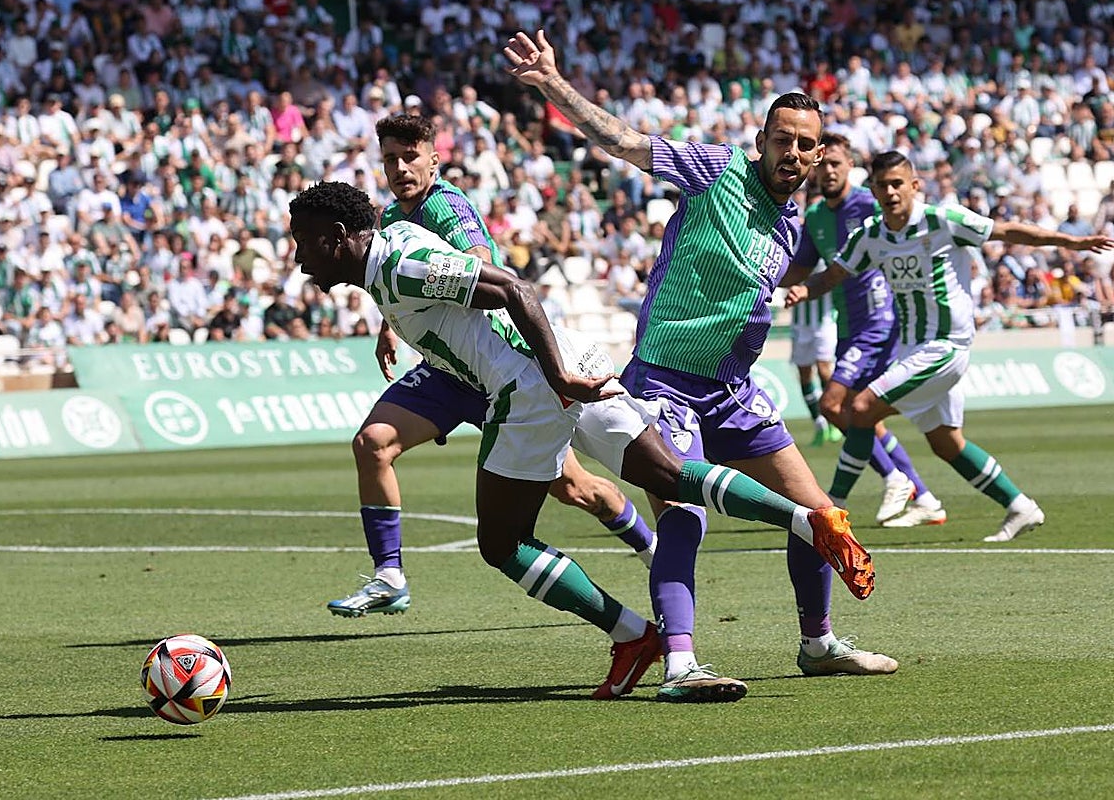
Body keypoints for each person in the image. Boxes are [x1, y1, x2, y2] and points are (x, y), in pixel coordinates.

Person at [291, 181, 873, 702]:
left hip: (533, 387)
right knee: (667, 474)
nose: (297, 260)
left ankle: (632, 636)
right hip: (569, 362)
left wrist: (555, 377)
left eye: (303, 243)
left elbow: (511, 288)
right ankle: (810, 521)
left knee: (503, 543)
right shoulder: (393, 253)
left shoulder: (397, 266)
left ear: (337, 236)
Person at [504, 30, 897, 687]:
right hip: (663, 384)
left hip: (733, 391)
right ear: (762, 141)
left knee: (820, 515)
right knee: (684, 516)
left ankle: (819, 645)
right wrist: (551, 84)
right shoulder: (714, 170)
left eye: (806, 144)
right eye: (784, 139)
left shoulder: (791, 220)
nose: (794, 152)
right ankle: (680, 663)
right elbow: (621, 141)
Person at [327, 114, 656, 618]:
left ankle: (650, 549)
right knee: (373, 443)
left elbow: (480, 263)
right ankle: (389, 575)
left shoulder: (447, 206)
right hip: (446, 370)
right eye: (390, 158)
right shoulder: (391, 219)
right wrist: (389, 325)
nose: (399, 167)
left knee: (574, 488)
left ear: (434, 159)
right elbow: (395, 286)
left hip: (499, 369)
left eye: (409, 156)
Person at [786, 151, 1114, 542]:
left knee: (859, 407)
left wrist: (1071, 242)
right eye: (883, 185)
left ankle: (831, 508)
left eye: (897, 184)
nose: (891, 192)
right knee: (946, 443)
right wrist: (804, 289)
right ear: (873, 190)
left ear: (914, 186)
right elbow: (834, 275)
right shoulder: (871, 234)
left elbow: (1008, 231)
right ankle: (1020, 506)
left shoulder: (943, 220)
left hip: (946, 344)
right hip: (913, 348)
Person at [783, 133, 945, 527]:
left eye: (837, 163)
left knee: (832, 405)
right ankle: (923, 496)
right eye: (823, 164)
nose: (829, 171)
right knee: (863, 416)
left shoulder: (869, 203)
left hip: (880, 322)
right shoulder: (818, 217)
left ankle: (893, 478)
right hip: (848, 326)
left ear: (850, 166)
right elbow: (800, 270)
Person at [787, 265, 841, 447]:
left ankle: (833, 421)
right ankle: (819, 424)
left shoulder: (823, 246)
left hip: (825, 321)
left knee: (824, 369)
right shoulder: (794, 247)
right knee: (804, 374)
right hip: (799, 323)